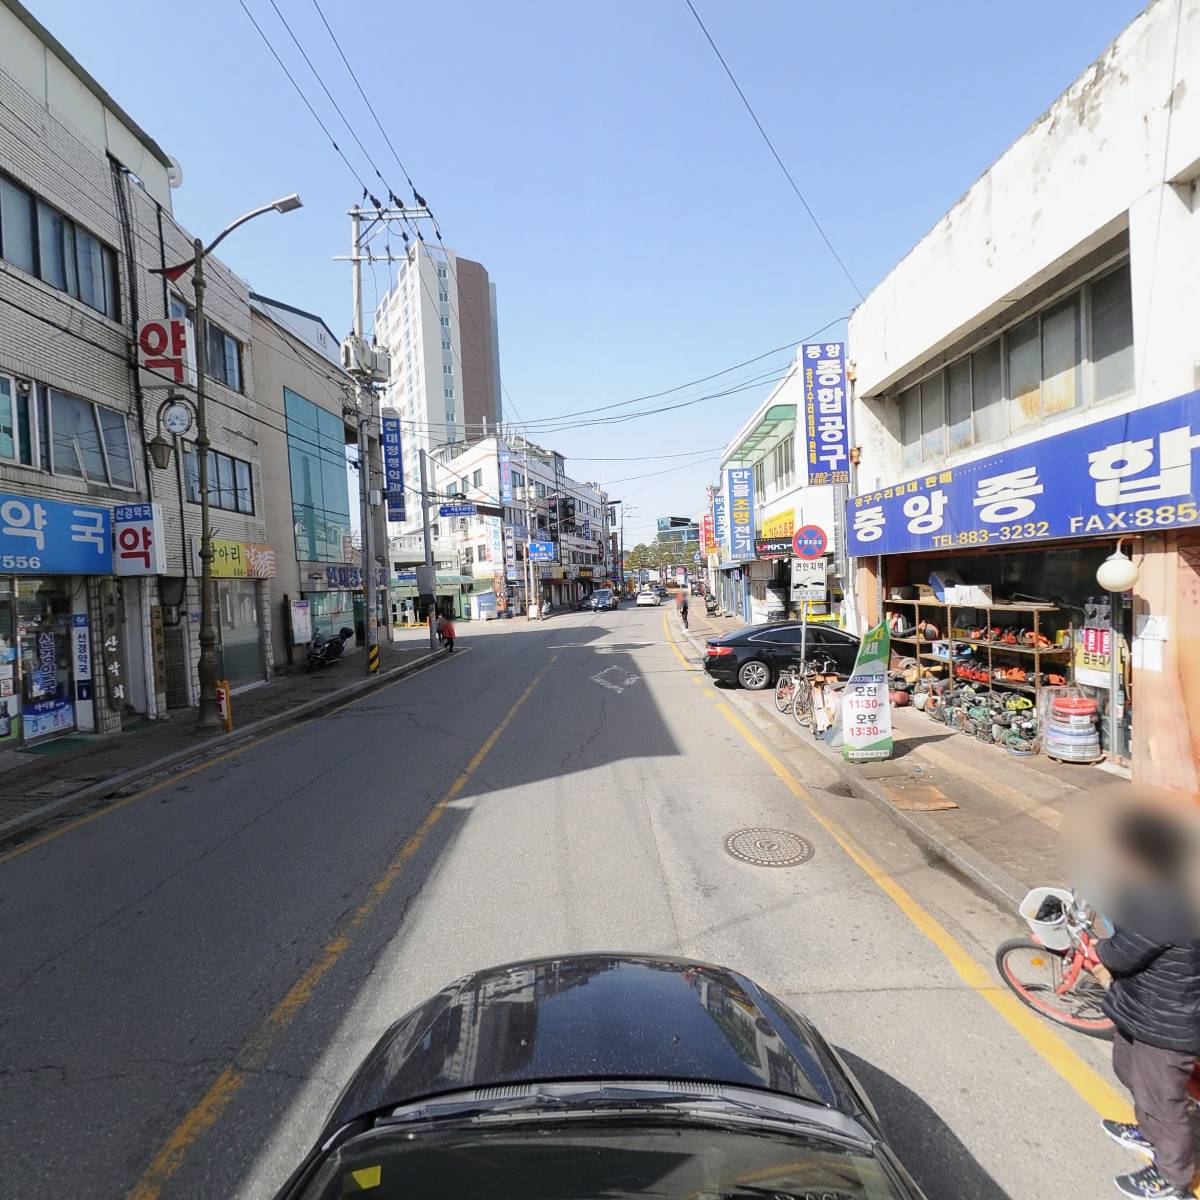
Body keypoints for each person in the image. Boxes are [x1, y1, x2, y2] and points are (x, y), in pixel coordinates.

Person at [1095, 805, 1200, 1199]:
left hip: (1168, 1021)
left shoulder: (1169, 902)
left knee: (1162, 1100)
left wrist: (1098, 949)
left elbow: (1122, 952)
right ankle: (1148, 1130)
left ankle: (1172, 1178)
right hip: (1142, 1006)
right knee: (1128, 1068)